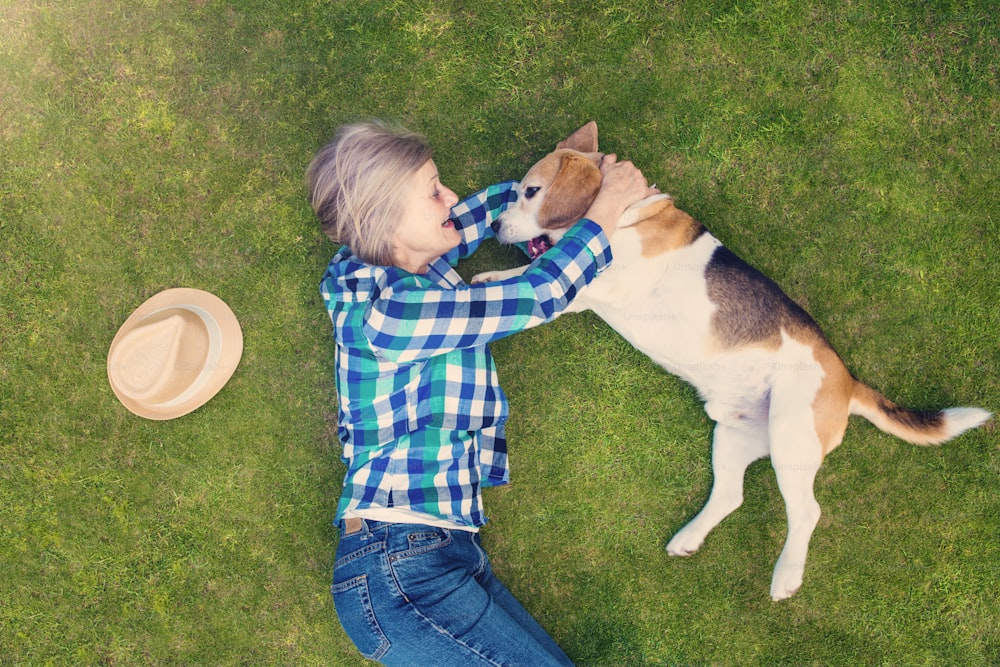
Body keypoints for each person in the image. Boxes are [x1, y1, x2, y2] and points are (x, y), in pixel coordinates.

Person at [308, 120, 654, 666]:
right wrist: (606, 211)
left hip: (426, 557)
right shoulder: (390, 312)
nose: (450, 197)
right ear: (386, 221)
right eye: (433, 192)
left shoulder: (406, 265)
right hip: (400, 570)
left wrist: (581, 179)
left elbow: (495, 210)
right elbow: (536, 294)